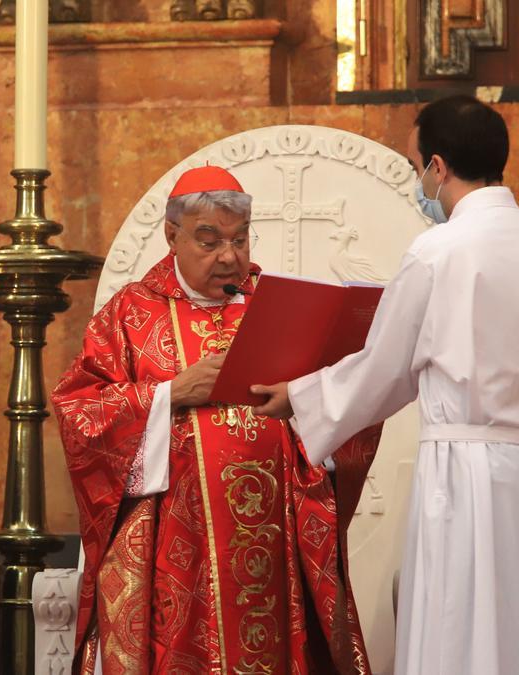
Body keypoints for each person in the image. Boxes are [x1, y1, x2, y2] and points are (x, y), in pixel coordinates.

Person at [252, 95, 519, 675]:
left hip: (466, 474)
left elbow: (385, 367)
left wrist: (301, 396)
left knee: (462, 631)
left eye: (417, 168)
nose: (419, 182)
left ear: (437, 167)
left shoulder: (439, 251)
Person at [51, 165, 381, 674]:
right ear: (172, 236)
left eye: (240, 239)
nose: (229, 256)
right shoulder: (132, 312)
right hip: (177, 554)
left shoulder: (280, 304)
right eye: (209, 240)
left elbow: (342, 415)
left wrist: (314, 399)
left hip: (275, 544)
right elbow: (80, 411)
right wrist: (170, 394)